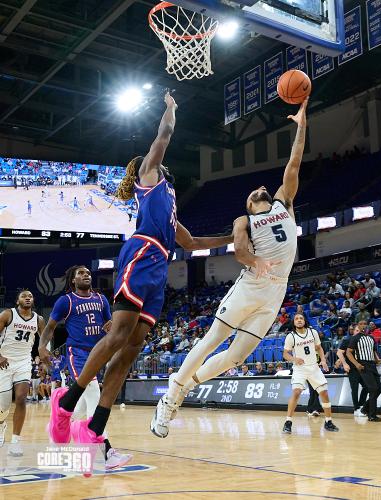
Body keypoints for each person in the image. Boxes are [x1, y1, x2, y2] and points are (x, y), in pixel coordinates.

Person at [46, 93, 232, 447]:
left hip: (160, 264)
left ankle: (94, 427)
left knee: (132, 347)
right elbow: (163, 137)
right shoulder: (150, 178)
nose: (160, 160)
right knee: (117, 336)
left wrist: (236, 239)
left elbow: (191, 243)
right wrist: (171, 109)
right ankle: (67, 402)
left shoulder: (171, 203)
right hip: (142, 251)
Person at [151, 98, 309, 438]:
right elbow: (238, 250)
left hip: (275, 291)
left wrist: (302, 124)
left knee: (236, 357)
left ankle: (185, 385)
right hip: (252, 283)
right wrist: (256, 260)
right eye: (255, 192)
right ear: (250, 204)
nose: (262, 188)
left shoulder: (285, 201)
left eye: (263, 188)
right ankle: (170, 398)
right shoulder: (244, 219)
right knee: (213, 339)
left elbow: (294, 163)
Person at [39, 265, 131, 470]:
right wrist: (41, 346)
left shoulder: (101, 299)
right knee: (93, 392)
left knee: (81, 402)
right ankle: (106, 451)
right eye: (81, 273)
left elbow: (109, 324)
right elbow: (51, 327)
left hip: (98, 351)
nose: (86, 275)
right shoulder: (66, 301)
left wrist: (111, 325)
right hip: (77, 353)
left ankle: (58, 422)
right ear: (73, 280)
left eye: (88, 273)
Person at [0, 290, 45, 456]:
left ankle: (15, 442)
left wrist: (44, 360)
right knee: (3, 406)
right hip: (4, 362)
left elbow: (45, 339)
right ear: (17, 300)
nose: (28, 298)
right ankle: (1, 425)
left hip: (24, 362)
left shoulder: (38, 319)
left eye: (30, 296)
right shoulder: (7, 314)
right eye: (24, 296)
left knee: (21, 399)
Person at [282, 314, 338, 433]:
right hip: (300, 368)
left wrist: (323, 360)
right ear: (294, 322)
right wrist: (294, 359)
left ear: (304, 321)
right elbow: (285, 354)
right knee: (296, 392)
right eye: (296, 319)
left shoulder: (313, 332)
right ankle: (288, 422)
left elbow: (319, 348)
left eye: (301, 318)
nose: (299, 320)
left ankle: (328, 421)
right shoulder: (290, 336)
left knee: (324, 393)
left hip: (314, 367)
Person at [346, 325, 381, 422]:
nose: (365, 326)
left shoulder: (371, 338)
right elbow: (348, 352)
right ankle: (372, 415)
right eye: (362, 325)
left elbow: (373, 351)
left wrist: (377, 359)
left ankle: (364, 409)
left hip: (372, 365)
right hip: (363, 365)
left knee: (379, 389)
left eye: (365, 324)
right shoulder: (355, 338)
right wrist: (356, 364)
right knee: (373, 388)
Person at [336, 323, 368, 417]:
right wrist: (344, 364)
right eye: (357, 331)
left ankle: (361, 405)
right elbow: (339, 352)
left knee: (366, 386)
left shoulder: (363, 340)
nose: (359, 333)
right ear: (353, 331)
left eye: (360, 331)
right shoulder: (348, 340)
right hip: (352, 368)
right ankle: (356, 409)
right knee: (354, 389)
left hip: (361, 367)